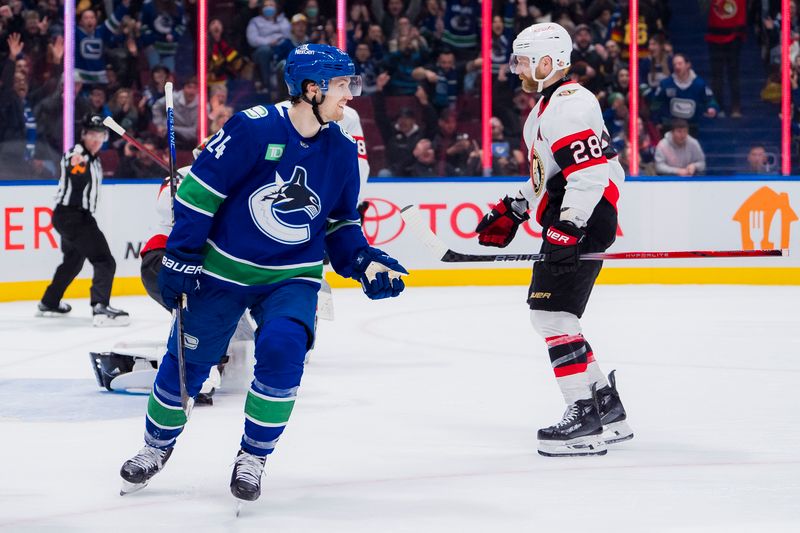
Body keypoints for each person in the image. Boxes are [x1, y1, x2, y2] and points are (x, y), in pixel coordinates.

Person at [119, 44, 407, 503]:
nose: (351, 95)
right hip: (222, 272)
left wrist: (362, 262)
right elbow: (197, 195)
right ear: (311, 89)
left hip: (291, 276)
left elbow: (340, 223)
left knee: (283, 350)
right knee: (186, 369)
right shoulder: (252, 128)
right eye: (341, 85)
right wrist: (180, 256)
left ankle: (253, 456)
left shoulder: (340, 150)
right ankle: (155, 447)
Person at [474, 23, 632, 457]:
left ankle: (583, 417)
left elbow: (590, 175)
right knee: (557, 316)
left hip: (583, 217)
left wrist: (569, 226)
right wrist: (516, 205)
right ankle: (605, 407)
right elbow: (550, 176)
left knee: (551, 317)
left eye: (523, 61)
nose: (516, 69)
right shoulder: (548, 106)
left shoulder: (568, 105)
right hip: (577, 216)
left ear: (548, 62)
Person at [37, 114, 130, 326]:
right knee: (105, 260)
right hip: (73, 216)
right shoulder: (77, 154)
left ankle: (49, 302)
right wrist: (77, 169)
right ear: (83, 135)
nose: (97, 140)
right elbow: (75, 170)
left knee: (73, 261)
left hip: (69, 216)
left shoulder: (94, 158)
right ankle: (100, 307)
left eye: (101, 135)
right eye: (92, 135)